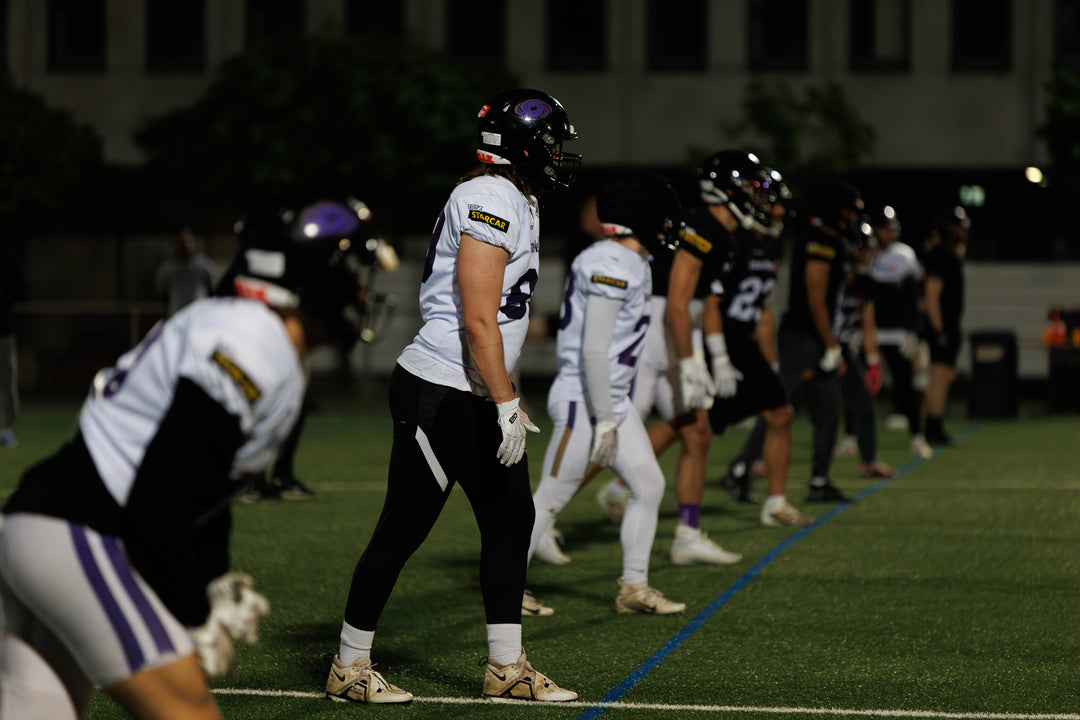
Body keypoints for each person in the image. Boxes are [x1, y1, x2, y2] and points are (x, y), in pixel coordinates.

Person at [0, 188, 377, 719]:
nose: (362, 290)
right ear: (315, 276)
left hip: (46, 528)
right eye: (354, 272)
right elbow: (162, 500)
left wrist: (211, 577)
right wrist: (193, 611)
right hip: (80, 532)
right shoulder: (252, 342)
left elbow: (203, 484)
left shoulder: (244, 329)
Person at [328, 88, 580, 704]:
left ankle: (506, 667)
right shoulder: (490, 197)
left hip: (474, 389)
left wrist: (500, 396)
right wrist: (505, 400)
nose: (557, 155)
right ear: (523, 144)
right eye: (550, 143)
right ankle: (348, 666)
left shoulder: (511, 195)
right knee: (403, 529)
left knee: (511, 520)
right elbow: (477, 318)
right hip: (442, 388)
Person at [527, 170, 686, 615]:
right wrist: (606, 416)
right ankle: (503, 591)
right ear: (645, 218)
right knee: (551, 497)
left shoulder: (631, 259)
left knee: (649, 485)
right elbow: (594, 350)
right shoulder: (612, 263)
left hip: (608, 402)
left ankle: (634, 588)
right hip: (587, 400)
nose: (672, 226)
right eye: (667, 218)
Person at [721, 181, 866, 504]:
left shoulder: (825, 239)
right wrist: (831, 344)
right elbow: (815, 297)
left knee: (827, 409)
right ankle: (740, 468)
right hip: (803, 338)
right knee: (777, 404)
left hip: (813, 337)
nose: (853, 219)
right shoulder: (818, 240)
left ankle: (818, 481)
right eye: (849, 212)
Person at [701, 156, 813, 527]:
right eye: (773, 201)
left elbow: (764, 309)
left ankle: (776, 503)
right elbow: (709, 301)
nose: (779, 210)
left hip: (744, 342)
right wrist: (715, 355)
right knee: (690, 425)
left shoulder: (771, 245)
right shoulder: (736, 239)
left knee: (780, 412)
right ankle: (619, 488)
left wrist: (771, 362)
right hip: (717, 339)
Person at [865, 204, 934, 459]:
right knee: (859, 387)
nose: (889, 233)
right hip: (870, 331)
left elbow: (916, 297)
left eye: (891, 228)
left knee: (906, 387)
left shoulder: (904, 255)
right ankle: (852, 437)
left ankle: (917, 437)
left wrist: (915, 331)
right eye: (884, 228)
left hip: (897, 332)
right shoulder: (865, 252)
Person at [830, 225, 896, 479]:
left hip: (841, 347)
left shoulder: (865, 282)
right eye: (863, 250)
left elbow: (868, 323)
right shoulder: (831, 275)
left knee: (864, 401)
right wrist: (827, 347)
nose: (868, 256)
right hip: (817, 343)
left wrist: (873, 362)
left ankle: (868, 461)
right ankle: (751, 460)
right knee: (786, 402)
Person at [922, 206, 970, 446]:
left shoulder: (947, 255)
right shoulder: (940, 256)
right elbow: (931, 295)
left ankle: (935, 425)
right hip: (942, 328)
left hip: (948, 327)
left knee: (945, 376)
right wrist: (939, 329)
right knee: (939, 377)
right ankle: (932, 428)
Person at [155, 227, 218, 318]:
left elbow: (213, 292)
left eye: (188, 242)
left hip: (199, 317)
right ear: (174, 244)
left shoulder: (205, 265)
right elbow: (163, 296)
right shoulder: (166, 269)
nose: (185, 245)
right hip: (176, 316)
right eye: (181, 242)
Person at [0, 242, 25, 447]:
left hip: (3, 332)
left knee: (7, 382)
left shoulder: (6, 256)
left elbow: (20, 286)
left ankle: (8, 429)